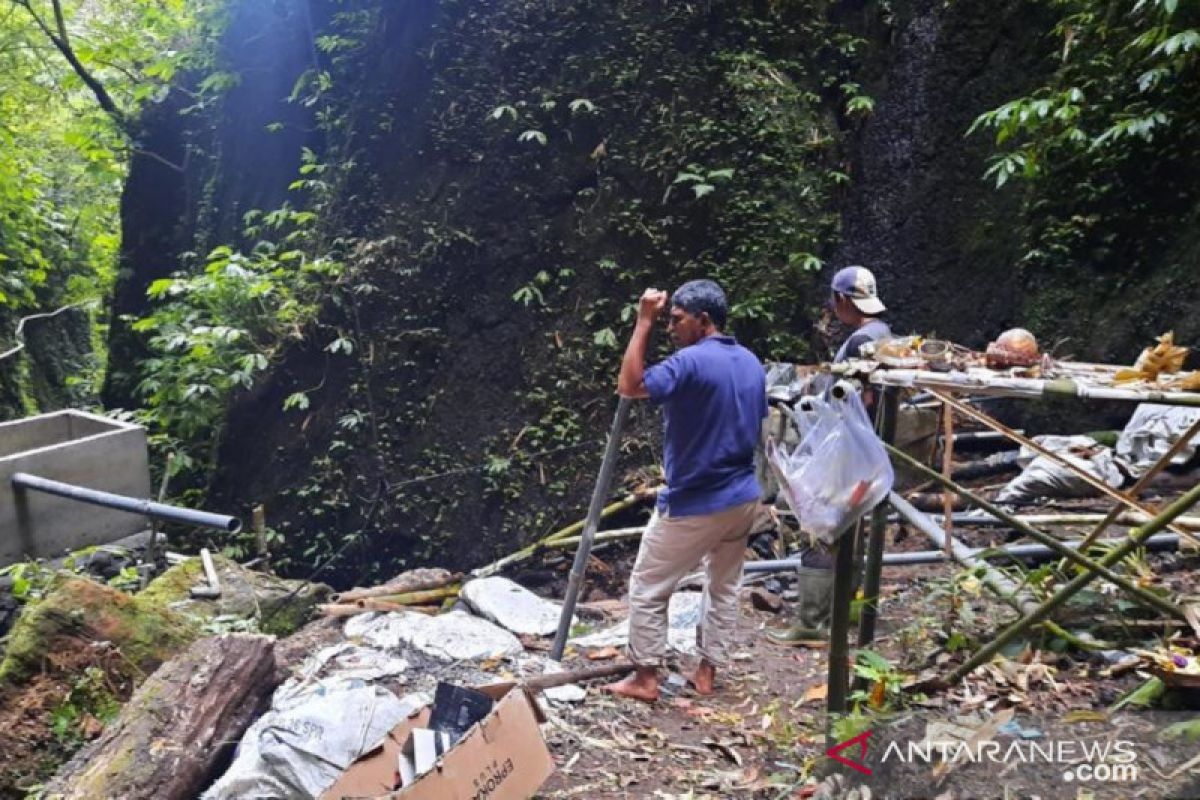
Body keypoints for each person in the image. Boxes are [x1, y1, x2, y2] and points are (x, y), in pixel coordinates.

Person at [603, 280, 767, 702]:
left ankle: (645, 677)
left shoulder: (689, 362)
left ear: (704, 320)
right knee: (724, 585)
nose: (671, 328)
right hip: (744, 496)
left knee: (648, 584)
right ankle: (707, 671)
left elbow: (631, 384)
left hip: (697, 499)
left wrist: (643, 322)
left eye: (677, 320)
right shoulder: (750, 362)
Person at [767, 265, 890, 647]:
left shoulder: (857, 344)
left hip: (845, 453)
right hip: (869, 451)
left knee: (819, 527)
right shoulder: (884, 334)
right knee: (850, 528)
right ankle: (845, 609)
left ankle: (811, 622)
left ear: (840, 300)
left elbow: (850, 401)